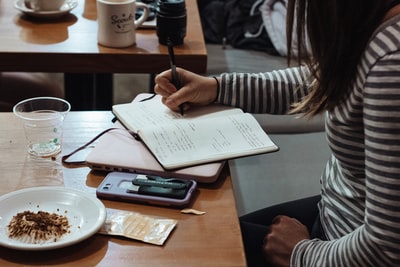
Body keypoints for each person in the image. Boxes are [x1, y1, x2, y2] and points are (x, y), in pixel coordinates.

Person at [154, 0, 400, 266]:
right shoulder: (374, 23)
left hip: (346, 247)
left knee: (198, 247)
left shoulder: (391, 64)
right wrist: (218, 88)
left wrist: (300, 254)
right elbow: (325, 80)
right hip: (337, 213)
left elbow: (385, 248)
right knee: (204, 235)